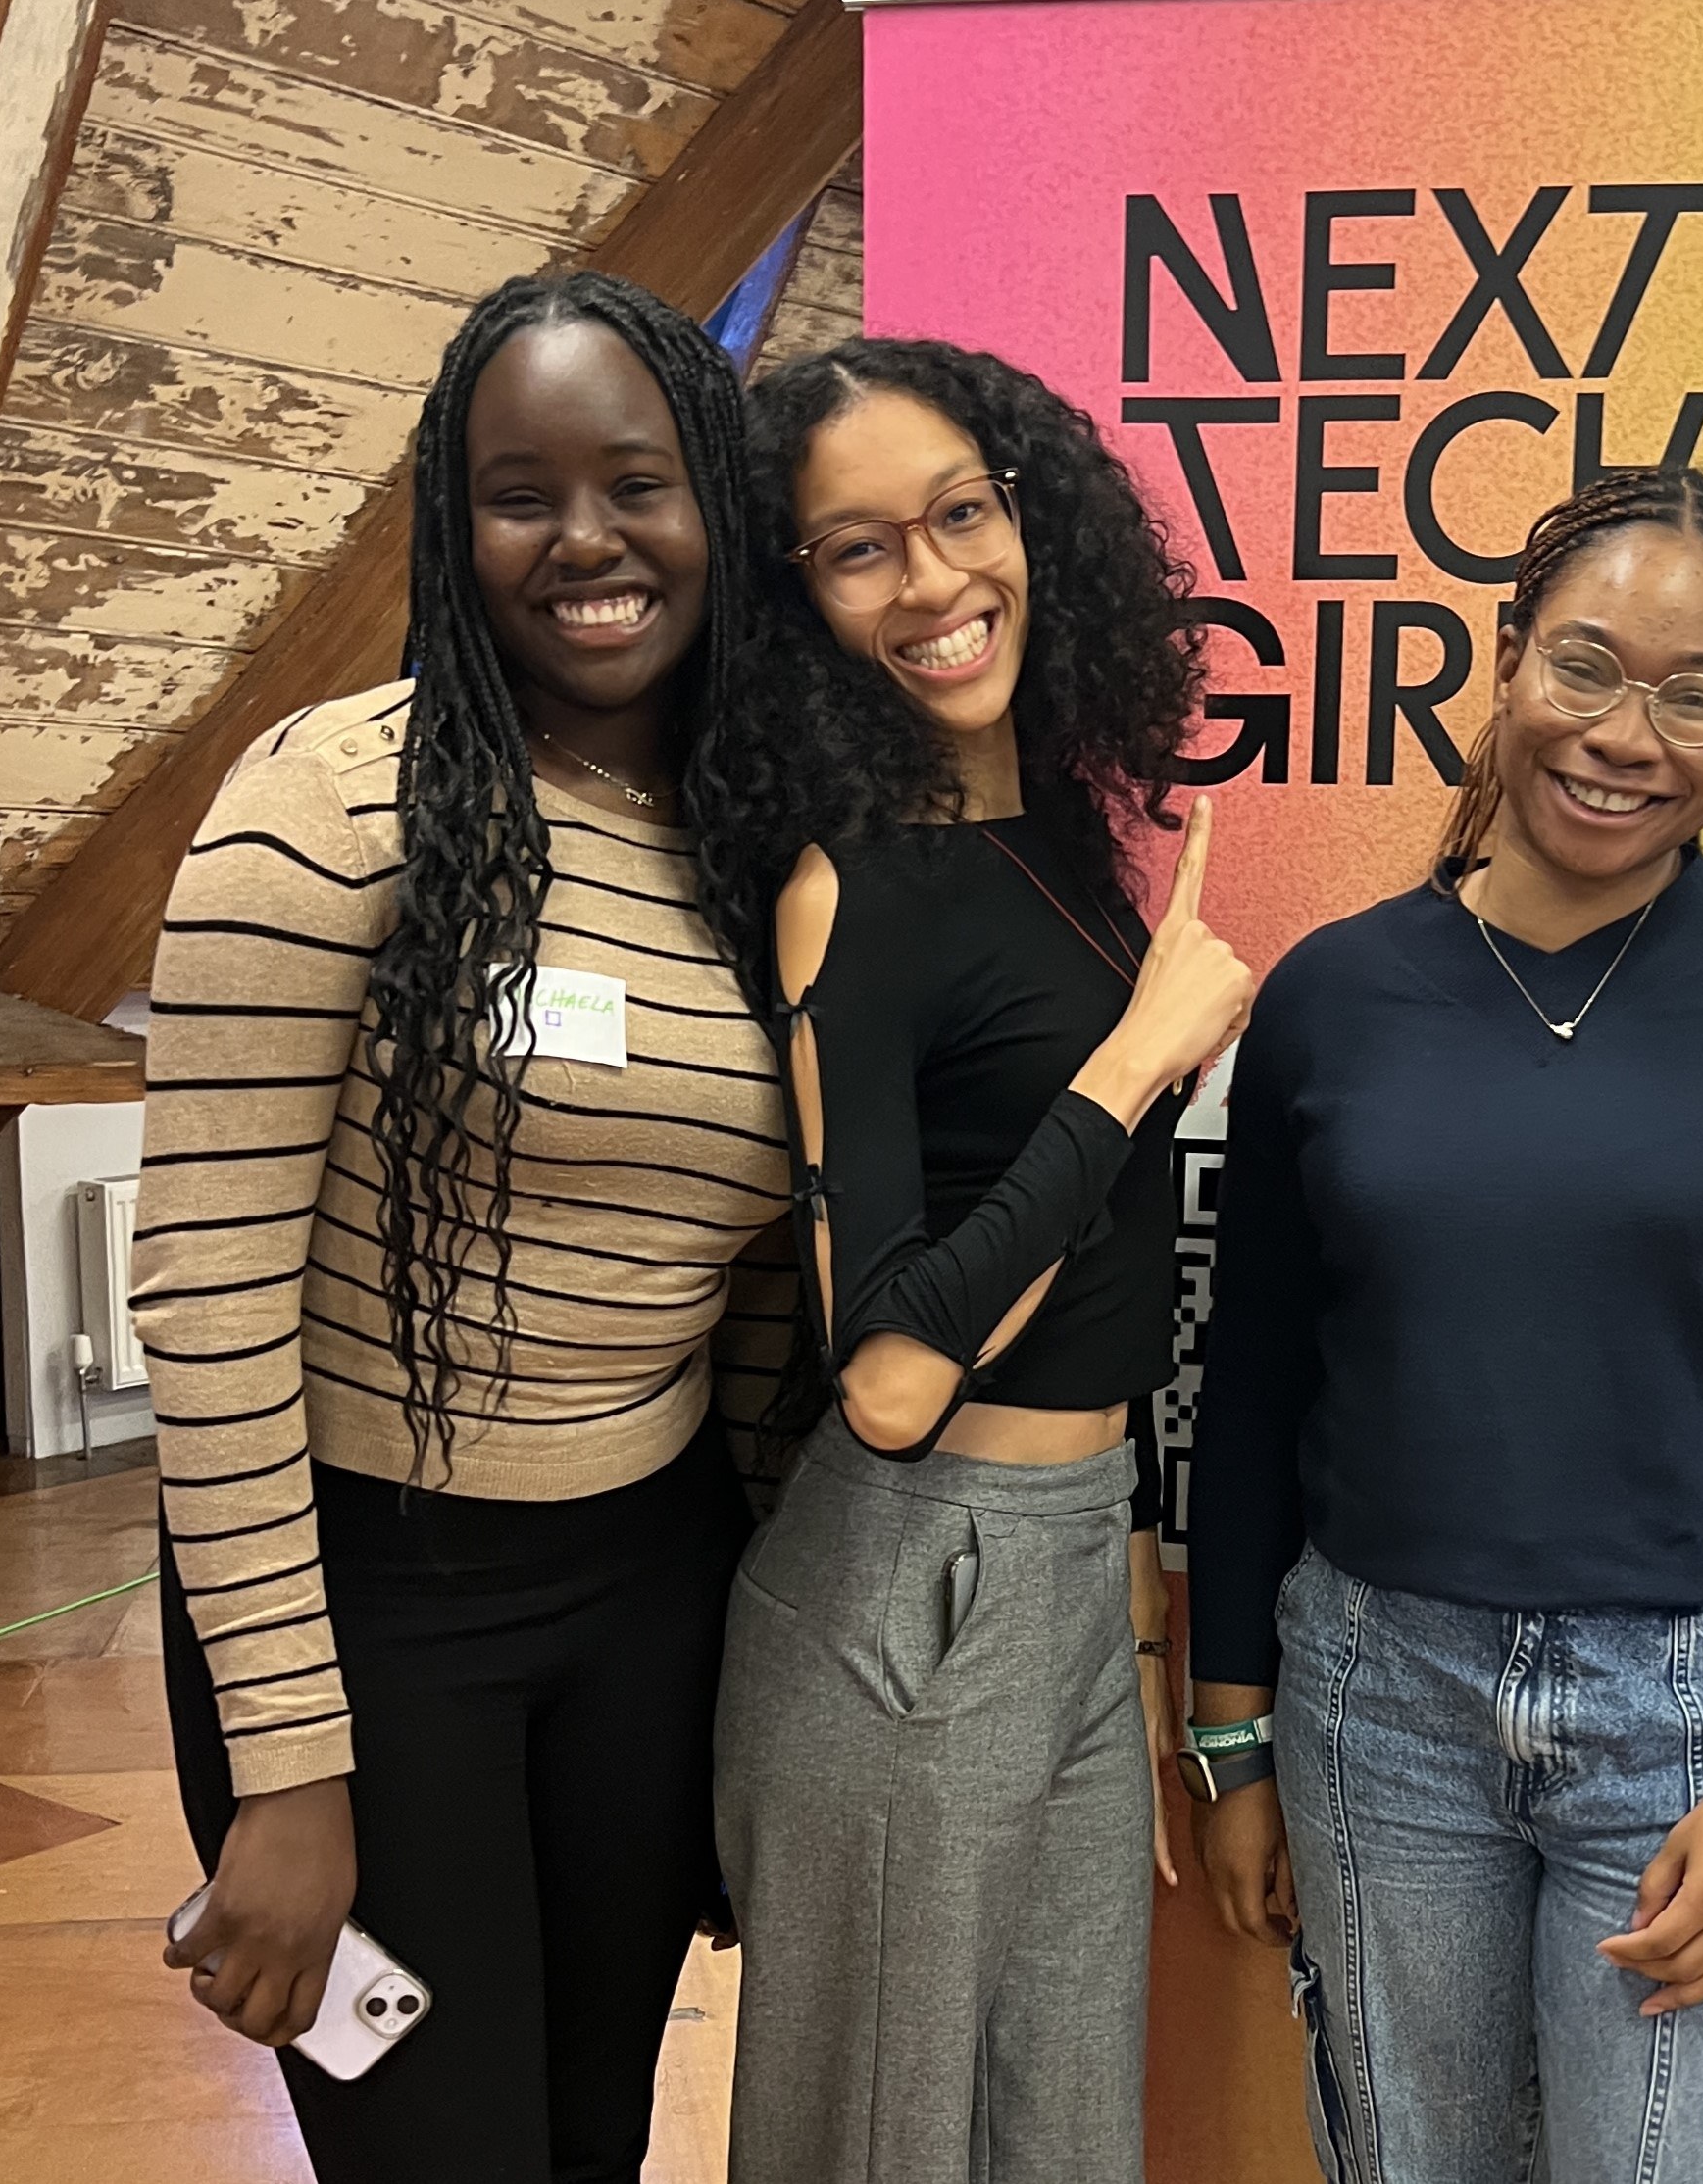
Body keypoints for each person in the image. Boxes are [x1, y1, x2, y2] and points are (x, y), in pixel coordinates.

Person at [1184, 469, 1703, 2182]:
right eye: (1583, 664)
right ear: (1506, 660)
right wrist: (1228, 1726)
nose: (1624, 732)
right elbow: (1250, 1384)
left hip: (1697, 1719)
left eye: (1693, 693)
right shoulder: (1335, 992)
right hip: (1378, 1703)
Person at [135, 272, 800, 2184]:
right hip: (363, 1618)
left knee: (585, 2135)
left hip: (642, 1608)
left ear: (713, 511)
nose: (586, 538)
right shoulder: (331, 805)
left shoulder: (758, 841)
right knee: (431, 2147)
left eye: (637, 481)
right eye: (521, 490)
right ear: (454, 519)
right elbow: (208, 1293)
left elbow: (756, 1277)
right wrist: (284, 1774)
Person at [713, 337, 1252, 2184]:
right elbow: (885, 1375)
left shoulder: (1055, 845)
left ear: (1033, 516)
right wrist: (1139, 1053)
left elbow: (1096, 1258)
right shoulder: (840, 887)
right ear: (796, 600)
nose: (935, 581)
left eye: (959, 513)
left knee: (1065, 2138)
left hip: (1061, 1578)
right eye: (859, 549)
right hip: (909, 1587)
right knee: (877, 2152)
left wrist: (1129, 1602)